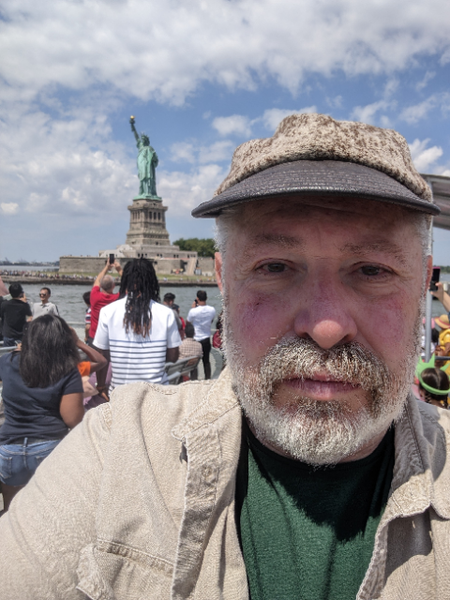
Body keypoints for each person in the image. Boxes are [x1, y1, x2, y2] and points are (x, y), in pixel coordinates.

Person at [1, 113, 450, 599]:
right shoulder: (115, 455)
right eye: (274, 266)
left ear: (424, 281)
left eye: (372, 269)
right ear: (222, 278)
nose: (325, 328)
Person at [0, 314, 84, 512]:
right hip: (50, 448)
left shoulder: (7, 362)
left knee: (13, 515)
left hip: (9, 450)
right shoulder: (67, 370)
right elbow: (72, 419)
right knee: (49, 514)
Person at [93, 258, 181, 390]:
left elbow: (102, 356)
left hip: (120, 393)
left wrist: (100, 386)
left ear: (125, 281)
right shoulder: (166, 313)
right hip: (157, 393)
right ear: (152, 281)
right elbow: (173, 357)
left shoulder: (107, 312)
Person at [87, 261, 122, 344]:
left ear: (101, 286)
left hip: (95, 337)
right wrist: (119, 269)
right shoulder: (119, 299)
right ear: (114, 286)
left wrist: (106, 267)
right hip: (113, 338)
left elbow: (98, 280)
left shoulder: (95, 296)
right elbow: (131, 285)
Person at [187, 290, 216, 379]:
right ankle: (208, 380)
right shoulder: (212, 310)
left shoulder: (193, 311)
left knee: (193, 362)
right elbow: (211, 321)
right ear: (206, 298)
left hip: (196, 339)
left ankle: (194, 381)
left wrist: (193, 308)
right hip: (206, 338)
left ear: (197, 299)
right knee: (206, 361)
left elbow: (188, 322)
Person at [0, 283, 32, 347]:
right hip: (20, 335)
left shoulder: (4, 304)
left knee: (7, 355)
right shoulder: (24, 305)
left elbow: (1, 316)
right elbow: (30, 317)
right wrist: (25, 300)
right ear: (21, 293)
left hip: (8, 334)